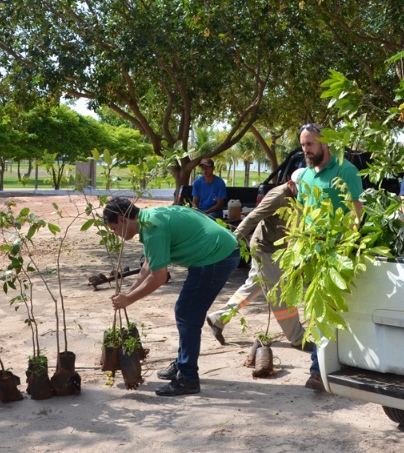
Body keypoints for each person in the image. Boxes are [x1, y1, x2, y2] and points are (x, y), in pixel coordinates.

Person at [103, 197, 240, 397]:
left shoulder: (152, 228)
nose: (115, 235)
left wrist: (130, 299)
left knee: (186, 313)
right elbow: (149, 265)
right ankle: (183, 363)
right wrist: (128, 293)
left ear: (122, 220)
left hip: (216, 257)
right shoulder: (149, 219)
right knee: (187, 312)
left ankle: (188, 378)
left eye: (114, 229)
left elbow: (159, 277)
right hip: (219, 251)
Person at [205, 168, 311, 351]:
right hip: (265, 249)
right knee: (280, 295)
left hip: (278, 249)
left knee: (252, 287)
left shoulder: (302, 195)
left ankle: (218, 319)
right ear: (291, 183)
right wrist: (233, 239)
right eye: (302, 188)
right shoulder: (278, 196)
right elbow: (254, 216)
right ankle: (298, 337)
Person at [296, 123, 364, 391]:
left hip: (336, 253)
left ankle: (317, 370)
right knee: (316, 309)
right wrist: (298, 249)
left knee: (328, 310)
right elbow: (301, 215)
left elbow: (356, 214)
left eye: (310, 144)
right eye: (303, 145)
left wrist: (344, 249)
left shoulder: (346, 170)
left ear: (324, 143)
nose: (306, 150)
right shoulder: (305, 176)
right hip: (311, 252)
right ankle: (323, 367)